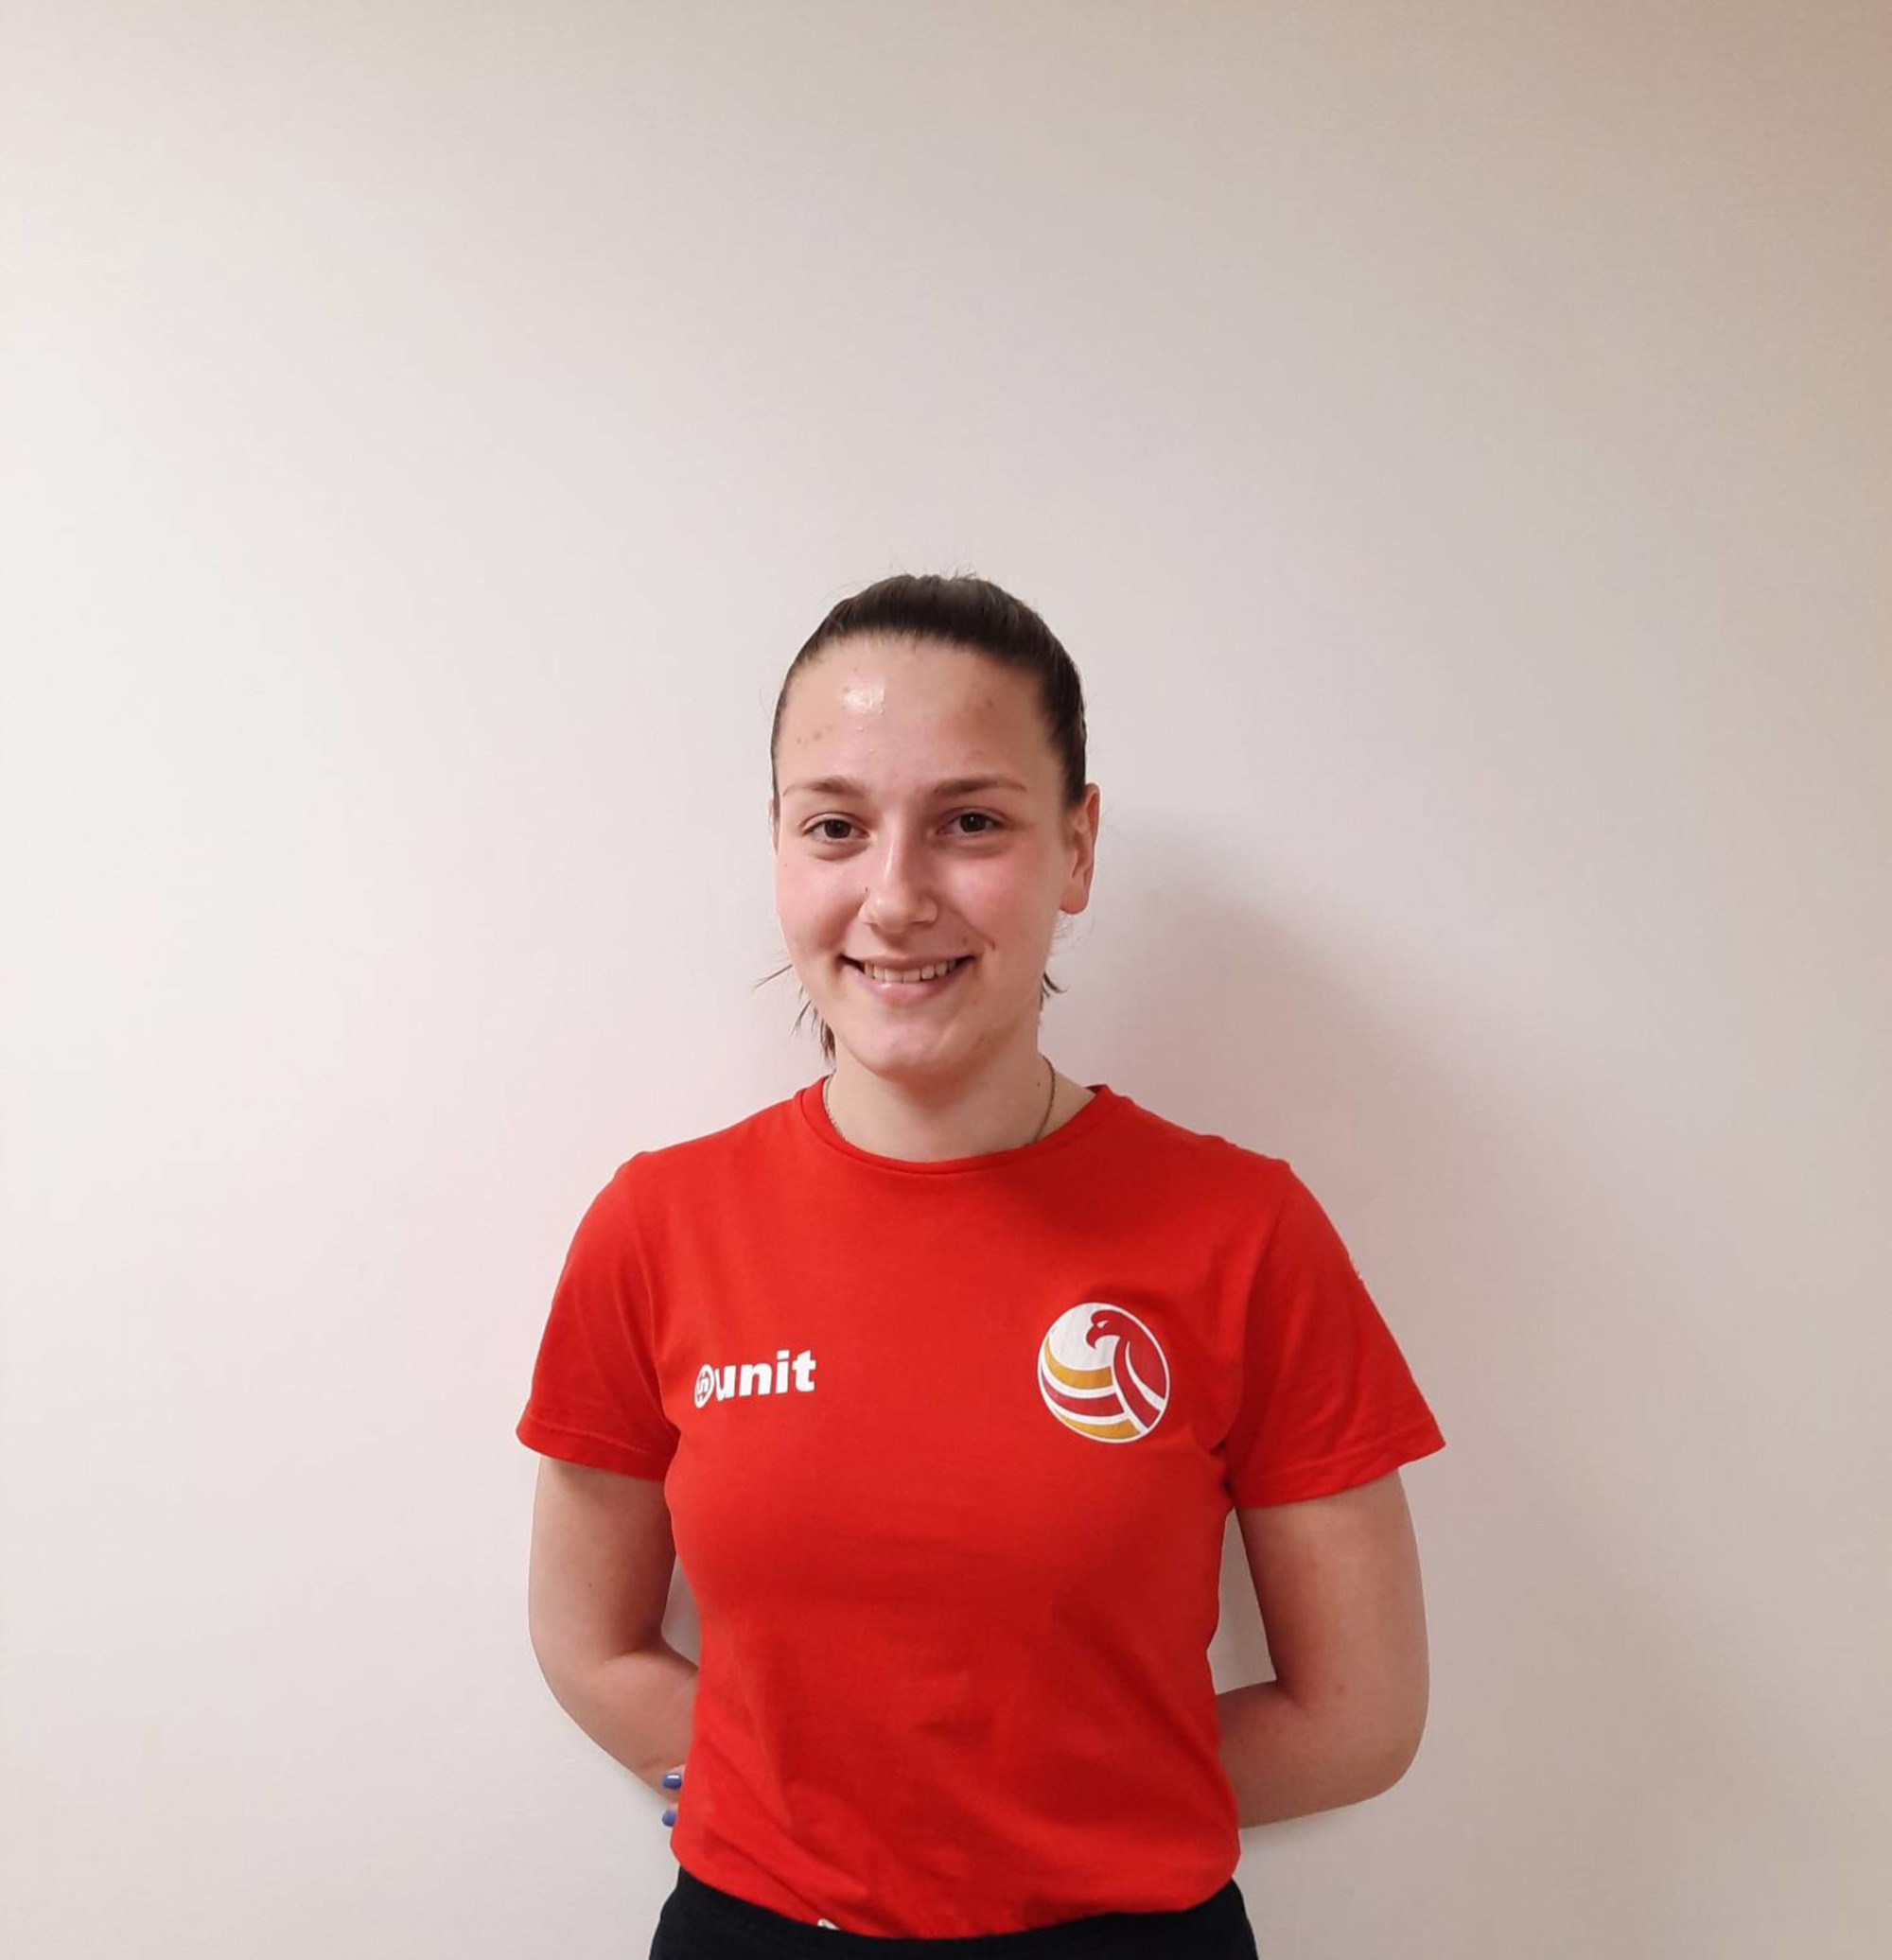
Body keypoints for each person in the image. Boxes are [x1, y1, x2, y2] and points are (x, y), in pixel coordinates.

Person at [517, 572, 1446, 1957]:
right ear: (780, 850)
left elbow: (1356, 1719)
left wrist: (1016, 1820)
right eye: (835, 826)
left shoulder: (1244, 1232)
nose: (895, 898)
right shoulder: (657, 1226)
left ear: (1076, 850)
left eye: (970, 823)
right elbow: (589, 1641)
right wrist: (814, 1806)